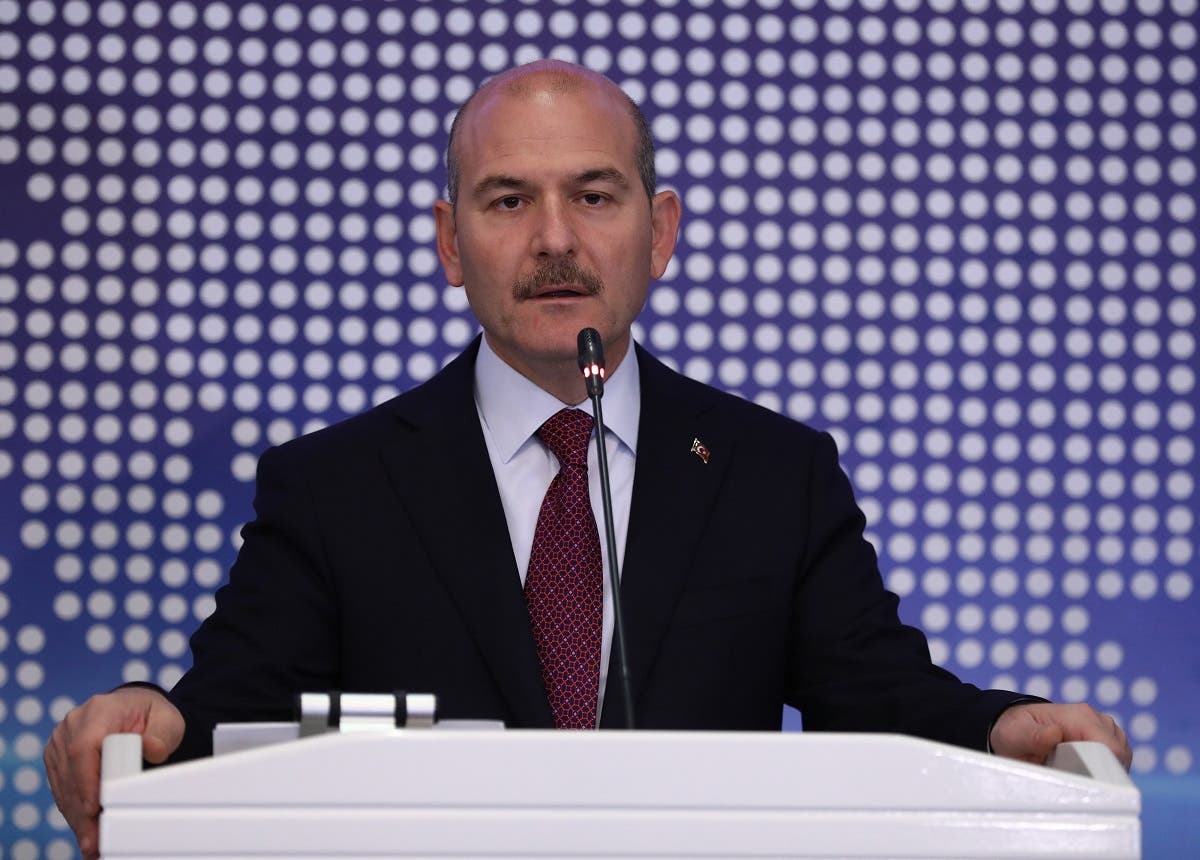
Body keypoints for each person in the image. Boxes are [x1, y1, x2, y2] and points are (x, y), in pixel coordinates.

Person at [44, 60, 1131, 859]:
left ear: (659, 232)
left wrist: (1002, 727)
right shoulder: (339, 485)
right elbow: (231, 694)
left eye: (594, 196)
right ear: (448, 241)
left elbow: (879, 689)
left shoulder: (771, 471)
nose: (555, 238)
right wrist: (148, 717)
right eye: (509, 199)